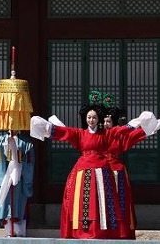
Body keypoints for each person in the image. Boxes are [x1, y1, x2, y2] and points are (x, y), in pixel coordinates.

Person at [30, 90, 156, 239]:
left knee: (103, 203)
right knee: (83, 203)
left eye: (94, 117)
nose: (91, 120)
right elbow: (65, 132)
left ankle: (106, 231)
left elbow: (123, 130)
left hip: (103, 172)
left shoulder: (106, 134)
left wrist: (140, 122)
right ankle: (82, 231)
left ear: (98, 119)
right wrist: (46, 126)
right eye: (89, 117)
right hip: (83, 172)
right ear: (86, 118)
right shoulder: (80, 134)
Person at [102, 100, 147, 239]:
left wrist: (149, 126)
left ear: (114, 122)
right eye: (103, 121)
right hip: (101, 172)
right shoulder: (97, 135)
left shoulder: (119, 136)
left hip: (117, 172)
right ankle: (103, 231)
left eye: (108, 121)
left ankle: (121, 231)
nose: (105, 124)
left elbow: (134, 135)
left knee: (120, 203)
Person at [0, 130, 34, 237]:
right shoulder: (0, 141)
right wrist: (1, 147)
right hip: (5, 178)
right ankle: (9, 231)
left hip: (19, 179)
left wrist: (19, 165)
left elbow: (30, 162)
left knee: (19, 204)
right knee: (5, 204)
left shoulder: (25, 143)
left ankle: (20, 232)